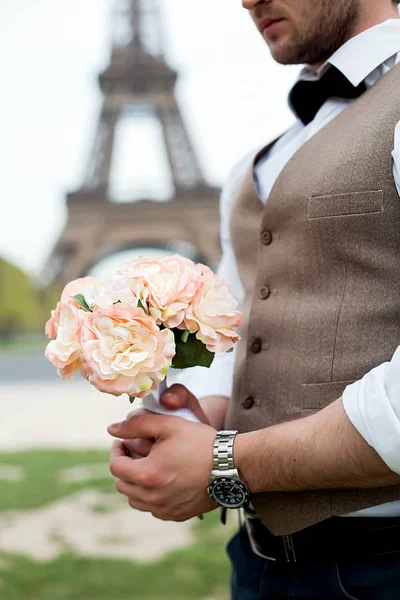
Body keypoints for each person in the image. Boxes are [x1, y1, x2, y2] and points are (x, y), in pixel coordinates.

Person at [108, 0, 400, 597]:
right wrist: (194, 417)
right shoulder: (257, 165)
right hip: (259, 563)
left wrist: (221, 463)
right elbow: (239, 325)